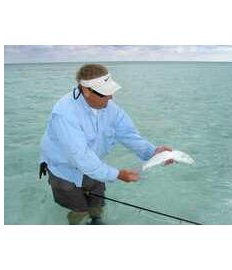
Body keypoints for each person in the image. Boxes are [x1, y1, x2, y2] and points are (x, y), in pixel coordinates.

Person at [39, 64, 173, 225]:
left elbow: (128, 134)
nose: (110, 98)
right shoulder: (64, 115)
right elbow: (82, 158)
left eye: (111, 92)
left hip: (95, 167)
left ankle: (96, 221)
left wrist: (153, 152)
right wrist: (118, 174)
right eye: (105, 94)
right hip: (65, 173)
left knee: (98, 205)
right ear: (86, 90)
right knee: (79, 210)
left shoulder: (110, 107)